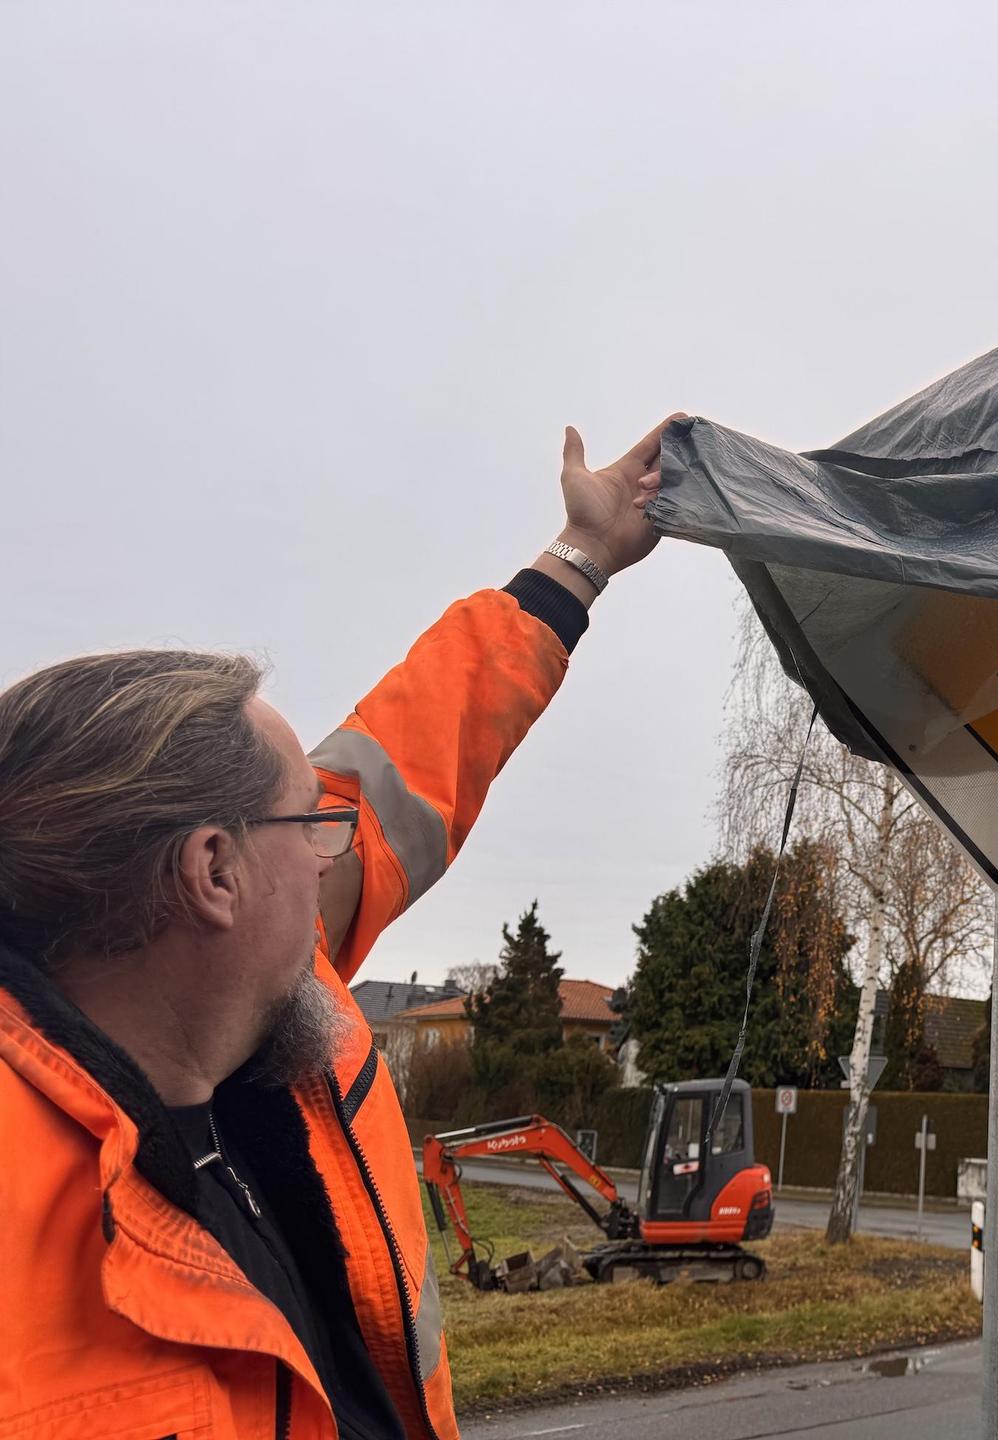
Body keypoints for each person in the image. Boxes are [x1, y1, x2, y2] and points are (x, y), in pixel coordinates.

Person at [0, 416, 680, 1440]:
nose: (340, 843)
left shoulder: (258, 981)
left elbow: (421, 744)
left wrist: (581, 557)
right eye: (313, 820)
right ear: (213, 873)